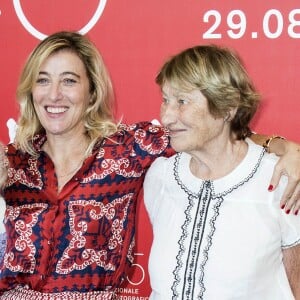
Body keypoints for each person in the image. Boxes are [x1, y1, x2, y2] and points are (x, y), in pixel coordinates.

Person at [0, 31, 299, 299]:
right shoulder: (11, 164)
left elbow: (216, 135)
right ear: (31, 90)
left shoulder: (127, 151)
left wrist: (285, 147)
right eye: (42, 80)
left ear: (91, 92)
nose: (54, 95)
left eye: (69, 80)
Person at [143, 45, 300, 299]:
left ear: (228, 107)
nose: (167, 117)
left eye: (182, 101)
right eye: (165, 100)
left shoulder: (280, 178)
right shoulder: (160, 177)